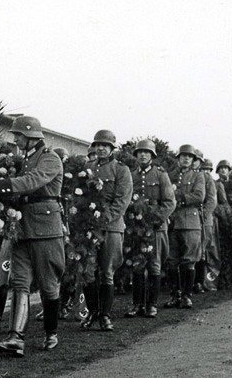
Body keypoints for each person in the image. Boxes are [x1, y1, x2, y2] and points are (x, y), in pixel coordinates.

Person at [0, 116, 64, 356]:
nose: (16, 139)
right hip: (21, 228)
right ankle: (15, 338)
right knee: (19, 282)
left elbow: (34, 181)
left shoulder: (50, 158)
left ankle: (51, 332)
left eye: (19, 135)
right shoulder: (24, 161)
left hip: (45, 230)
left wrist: (3, 184)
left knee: (49, 285)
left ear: (32, 136)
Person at [80, 130, 133, 331]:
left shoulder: (121, 170)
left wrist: (103, 218)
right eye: (97, 145)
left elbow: (122, 201)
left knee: (107, 272)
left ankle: (105, 315)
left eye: (105, 145)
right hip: (89, 228)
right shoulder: (87, 168)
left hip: (111, 227)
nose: (100, 148)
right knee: (87, 271)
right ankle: (92, 312)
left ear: (112, 148)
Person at [123, 139, 175, 318]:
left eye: (146, 152)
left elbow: (170, 202)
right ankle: (137, 304)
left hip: (155, 227)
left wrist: (155, 219)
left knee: (154, 265)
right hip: (136, 227)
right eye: (140, 152)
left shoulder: (161, 175)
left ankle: (151, 304)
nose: (143, 155)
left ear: (152, 155)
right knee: (137, 265)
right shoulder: (131, 175)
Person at [164, 144, 205, 309]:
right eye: (183, 156)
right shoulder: (171, 176)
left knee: (189, 261)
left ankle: (187, 295)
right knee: (171, 260)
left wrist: (178, 198)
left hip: (190, 223)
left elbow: (199, 196)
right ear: (178, 159)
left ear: (194, 160)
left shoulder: (198, 176)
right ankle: (175, 294)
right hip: (173, 222)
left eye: (189, 157)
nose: (186, 159)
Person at [196, 157, 220, 292]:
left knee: (203, 250)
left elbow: (212, 200)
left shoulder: (208, 179)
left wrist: (203, 214)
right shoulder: (191, 176)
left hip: (205, 221)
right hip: (192, 219)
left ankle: (201, 281)